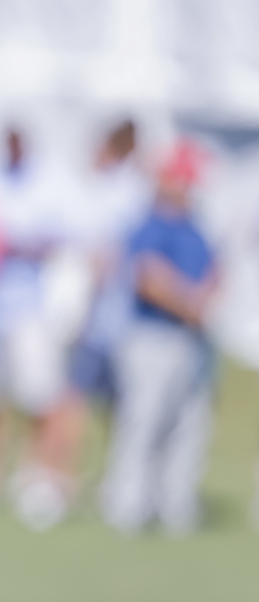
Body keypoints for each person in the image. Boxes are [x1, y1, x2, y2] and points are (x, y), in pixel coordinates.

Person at [100, 141, 217, 534]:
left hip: (189, 339)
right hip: (151, 335)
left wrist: (203, 302)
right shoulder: (149, 225)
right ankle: (128, 505)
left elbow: (215, 271)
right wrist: (191, 306)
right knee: (143, 420)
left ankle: (175, 506)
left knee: (187, 423)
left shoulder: (196, 227)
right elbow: (149, 279)